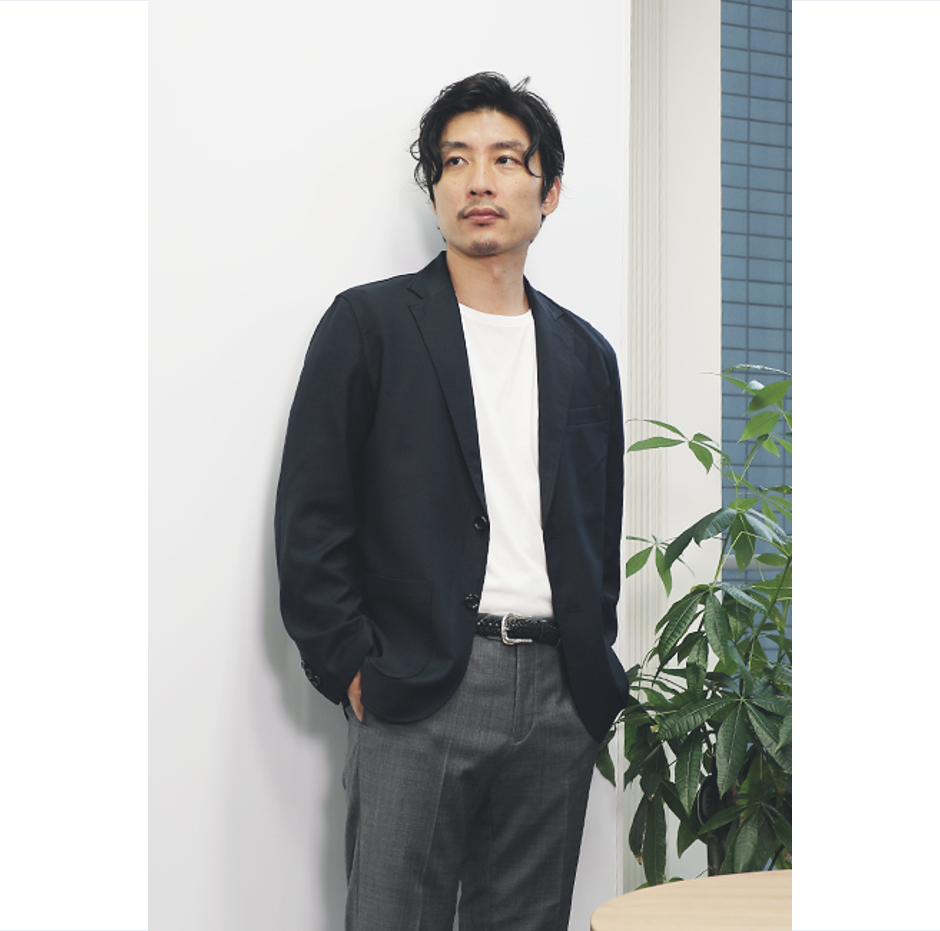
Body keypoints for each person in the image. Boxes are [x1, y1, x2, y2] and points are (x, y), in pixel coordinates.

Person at [274, 72, 628, 931]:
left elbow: (598, 523)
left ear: (548, 190)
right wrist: (354, 666)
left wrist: (591, 668)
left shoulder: (587, 354)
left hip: (558, 691)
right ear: (433, 188)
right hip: (422, 683)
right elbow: (311, 517)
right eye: (456, 160)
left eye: (506, 159)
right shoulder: (369, 326)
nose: (479, 181)